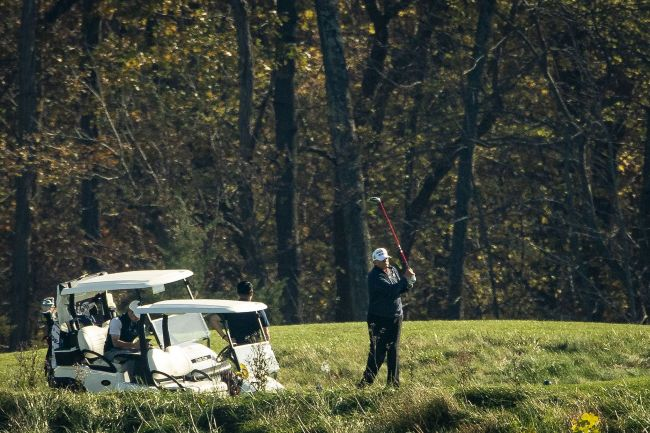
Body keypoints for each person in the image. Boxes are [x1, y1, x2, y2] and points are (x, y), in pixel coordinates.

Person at [358, 247, 415, 388]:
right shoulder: (374, 277)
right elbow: (391, 291)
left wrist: (410, 282)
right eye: (383, 260)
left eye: (387, 258)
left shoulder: (393, 270)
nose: (386, 261)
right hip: (378, 318)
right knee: (378, 351)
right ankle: (365, 384)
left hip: (396, 316)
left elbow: (400, 289)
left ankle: (393, 385)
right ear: (375, 262)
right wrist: (405, 279)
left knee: (393, 349)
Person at [104, 300, 143, 368]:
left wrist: (143, 344)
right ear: (130, 311)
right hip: (112, 351)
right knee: (135, 359)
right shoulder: (116, 321)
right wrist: (133, 345)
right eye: (136, 316)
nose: (137, 318)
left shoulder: (138, 322)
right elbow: (115, 343)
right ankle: (133, 378)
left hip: (126, 350)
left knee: (146, 354)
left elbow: (141, 337)